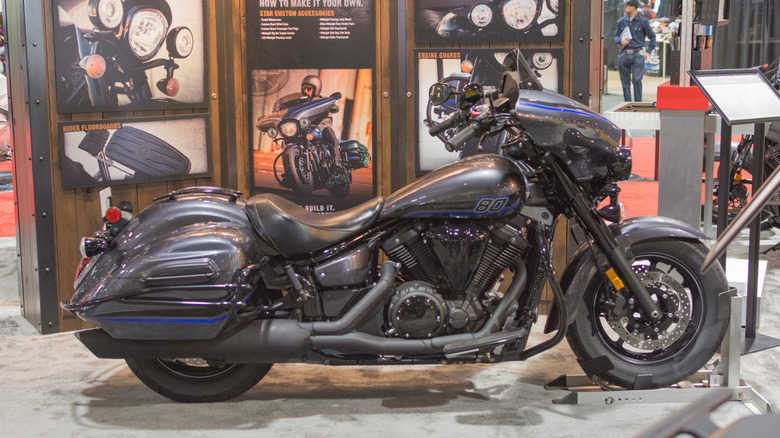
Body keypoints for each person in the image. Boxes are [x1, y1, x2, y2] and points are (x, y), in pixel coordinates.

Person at [614, 0, 656, 102]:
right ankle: (627, 104)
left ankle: (638, 103)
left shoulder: (643, 21)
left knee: (637, 80)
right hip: (624, 54)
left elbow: (652, 36)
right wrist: (620, 41)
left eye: (626, 6)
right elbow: (615, 37)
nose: (624, 8)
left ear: (633, 7)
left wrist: (648, 51)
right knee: (625, 82)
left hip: (638, 55)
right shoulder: (622, 21)